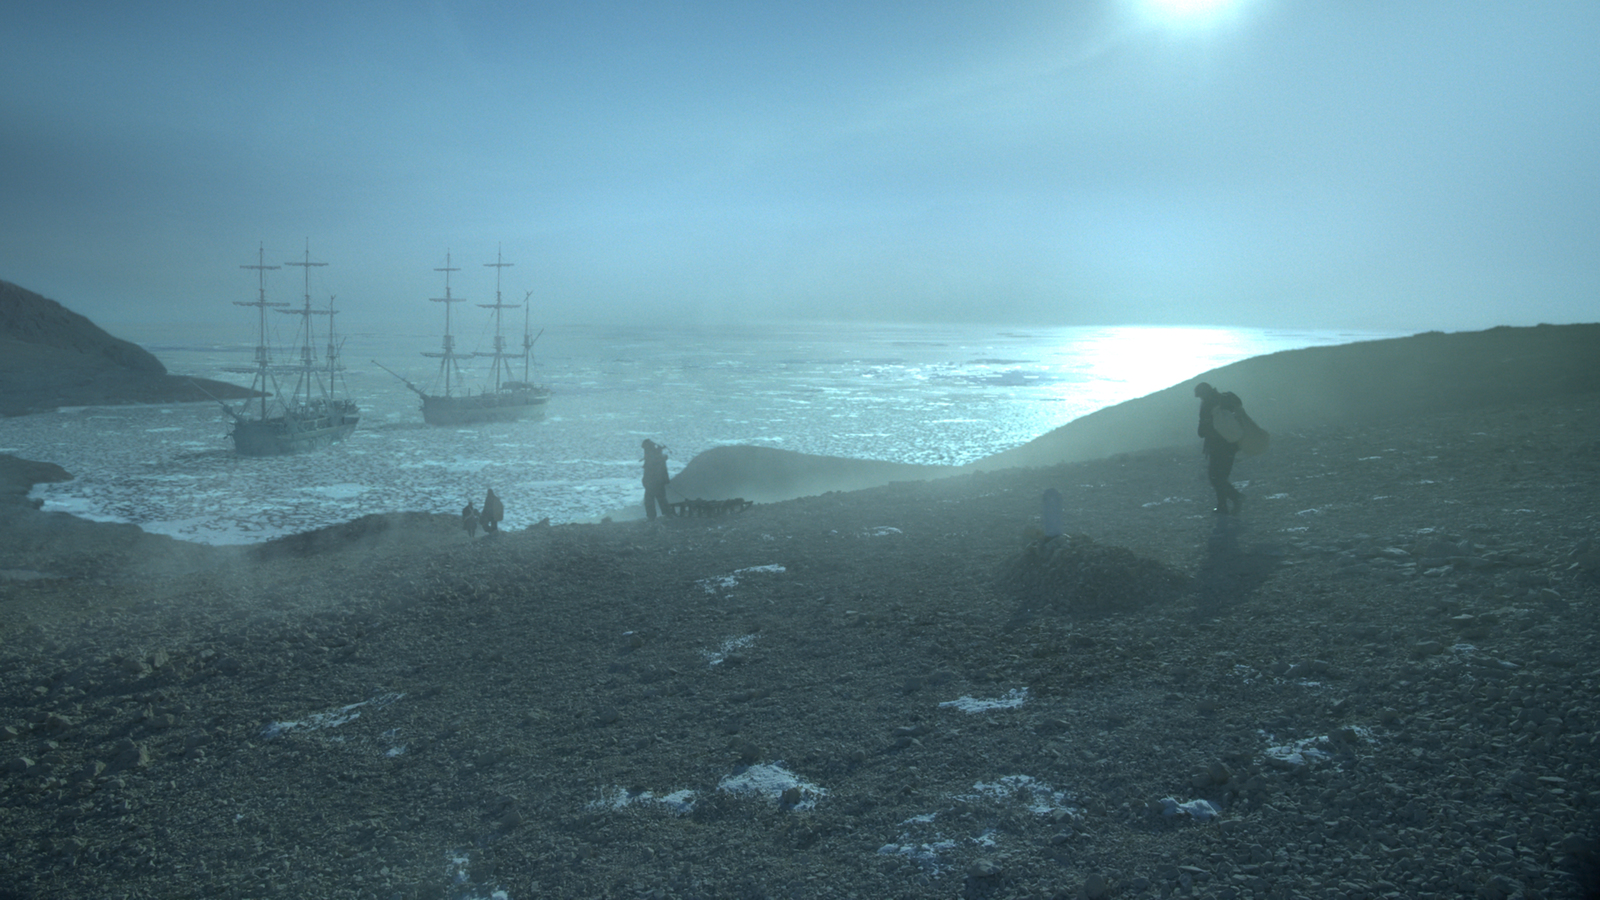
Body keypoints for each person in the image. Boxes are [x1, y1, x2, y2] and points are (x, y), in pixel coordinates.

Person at [1194, 382, 1245, 515]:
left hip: (1217, 446)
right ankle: (1223, 505)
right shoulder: (1224, 399)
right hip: (1232, 444)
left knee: (1215, 477)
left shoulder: (1207, 404)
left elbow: (1202, 430)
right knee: (1221, 476)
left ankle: (1234, 498)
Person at [641, 439, 670, 521]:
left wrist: (646, 481)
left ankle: (653, 517)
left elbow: (650, 471)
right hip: (657, 482)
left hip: (653, 482)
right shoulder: (657, 456)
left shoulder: (653, 457)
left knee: (650, 500)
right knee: (661, 499)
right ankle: (666, 515)